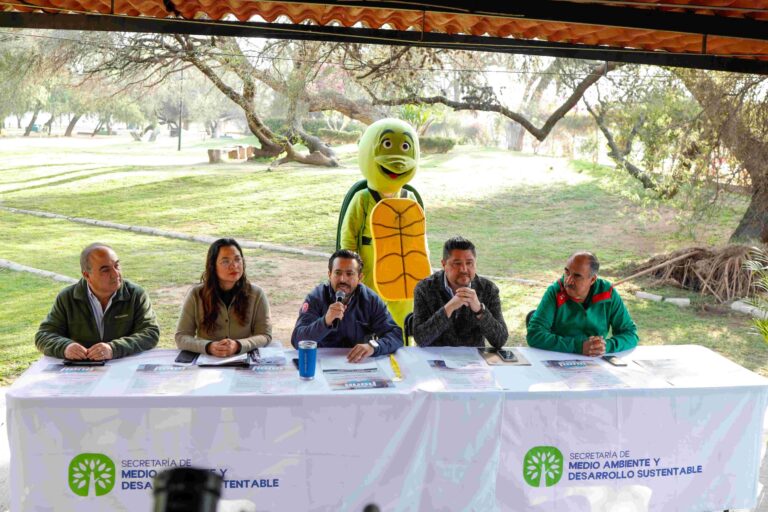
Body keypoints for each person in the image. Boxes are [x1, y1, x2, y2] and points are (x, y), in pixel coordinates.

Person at [35, 243, 159, 360]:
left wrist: (113, 349)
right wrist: (65, 347)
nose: (115, 274)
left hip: (124, 368)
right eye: (105, 270)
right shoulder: (67, 298)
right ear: (86, 275)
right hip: (81, 373)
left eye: (116, 266)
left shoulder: (135, 295)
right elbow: (44, 335)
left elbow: (150, 333)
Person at [291, 249, 402, 362]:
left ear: (360, 277)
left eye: (349, 274)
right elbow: (297, 340)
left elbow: (395, 335)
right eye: (338, 273)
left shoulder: (370, 300)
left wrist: (373, 346)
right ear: (329, 275)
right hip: (323, 364)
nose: (343, 279)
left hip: (359, 364)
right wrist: (325, 322)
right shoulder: (316, 297)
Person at [527, 251, 639, 356]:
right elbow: (534, 335)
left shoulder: (607, 293)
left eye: (577, 276)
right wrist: (578, 346)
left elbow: (630, 334)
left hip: (594, 364)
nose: (568, 280)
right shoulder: (555, 291)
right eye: (567, 272)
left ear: (592, 279)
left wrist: (604, 346)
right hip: (558, 358)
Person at [175, 238, 272, 357]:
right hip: (208, 361)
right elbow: (181, 337)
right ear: (213, 266)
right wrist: (208, 346)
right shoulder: (196, 294)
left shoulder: (256, 294)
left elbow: (265, 335)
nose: (234, 266)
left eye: (237, 259)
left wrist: (238, 345)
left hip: (243, 361)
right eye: (225, 261)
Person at [412, 236, 508, 348]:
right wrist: (449, 307)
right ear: (444, 264)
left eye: (469, 263)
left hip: (474, 361)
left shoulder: (488, 289)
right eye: (457, 263)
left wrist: (479, 310)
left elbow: (500, 340)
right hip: (435, 358)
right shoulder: (424, 289)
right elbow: (420, 339)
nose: (464, 269)